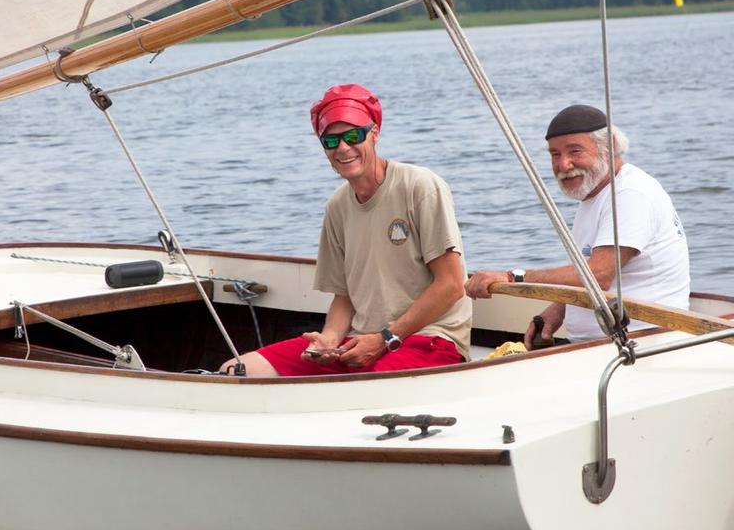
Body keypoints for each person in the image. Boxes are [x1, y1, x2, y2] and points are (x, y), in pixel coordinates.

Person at [220, 84, 471, 376]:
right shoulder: (337, 206)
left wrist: (385, 339)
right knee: (236, 371)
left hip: (430, 340)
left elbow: (451, 284)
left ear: (374, 134)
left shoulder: (419, 185)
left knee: (365, 388)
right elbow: (345, 296)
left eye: (353, 136)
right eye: (331, 141)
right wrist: (328, 340)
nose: (343, 148)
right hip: (360, 341)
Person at [465, 104, 690, 347]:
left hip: (642, 344)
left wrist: (511, 277)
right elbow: (601, 275)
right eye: (555, 155)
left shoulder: (630, 194)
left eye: (575, 151)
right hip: (596, 345)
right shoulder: (596, 193)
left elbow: (598, 275)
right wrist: (559, 308)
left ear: (609, 146)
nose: (563, 165)